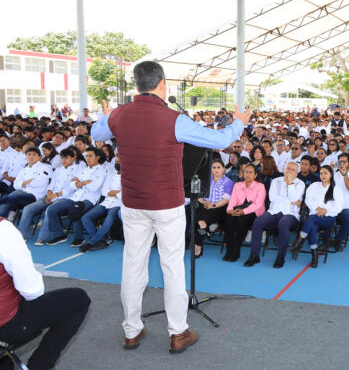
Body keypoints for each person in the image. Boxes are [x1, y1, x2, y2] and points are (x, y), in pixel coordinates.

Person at [90, 61, 250, 352]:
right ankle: (178, 333)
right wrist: (239, 121)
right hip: (166, 204)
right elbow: (221, 138)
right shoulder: (173, 119)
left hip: (133, 203)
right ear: (162, 84)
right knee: (173, 266)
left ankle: (131, 330)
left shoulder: (118, 115)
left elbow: (96, 134)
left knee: (132, 265)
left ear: (136, 84)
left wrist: (104, 117)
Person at [0, 219, 90, 370]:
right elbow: (32, 290)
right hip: (5, 323)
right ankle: (39, 366)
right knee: (78, 300)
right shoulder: (4, 231)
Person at [245, 161, 306, 268]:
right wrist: (291, 201)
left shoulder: (300, 184)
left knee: (283, 223)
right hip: (273, 212)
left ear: (297, 173)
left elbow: (294, 198)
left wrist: (291, 184)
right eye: (288, 168)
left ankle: (280, 256)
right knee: (258, 222)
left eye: (293, 170)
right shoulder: (276, 181)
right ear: (284, 169)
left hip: (291, 214)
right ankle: (254, 255)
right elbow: (272, 197)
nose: (290, 171)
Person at [289, 165, 344, 268]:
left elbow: (338, 207)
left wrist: (325, 211)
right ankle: (314, 256)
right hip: (315, 215)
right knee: (312, 227)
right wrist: (318, 209)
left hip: (329, 218)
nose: (323, 175)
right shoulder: (314, 185)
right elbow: (308, 200)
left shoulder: (336, 189)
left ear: (331, 175)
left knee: (311, 219)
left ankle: (299, 240)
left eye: (325, 173)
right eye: (321, 173)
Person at [0, 147, 51, 237]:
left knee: (15, 194)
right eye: (29, 154)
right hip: (21, 196)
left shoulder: (45, 167)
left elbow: (40, 183)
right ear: (25, 157)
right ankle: (2, 230)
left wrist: (23, 183)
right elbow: (16, 184)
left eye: (34, 155)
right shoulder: (24, 169)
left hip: (36, 196)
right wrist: (26, 182)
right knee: (6, 204)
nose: (31, 157)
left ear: (39, 157)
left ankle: (20, 236)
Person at [78, 155, 123, 252]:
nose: (117, 164)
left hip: (118, 203)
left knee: (109, 217)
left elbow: (125, 194)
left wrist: (113, 193)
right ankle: (100, 240)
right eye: (116, 162)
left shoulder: (130, 176)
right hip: (106, 202)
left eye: (119, 162)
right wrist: (113, 193)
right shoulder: (111, 174)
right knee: (85, 217)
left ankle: (92, 242)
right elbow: (104, 191)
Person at [223, 164, 266, 262]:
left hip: (254, 212)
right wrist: (230, 210)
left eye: (251, 172)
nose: (248, 174)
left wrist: (243, 212)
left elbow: (258, 204)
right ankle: (229, 249)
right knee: (229, 220)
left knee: (241, 221)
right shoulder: (238, 185)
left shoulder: (260, 186)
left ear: (255, 175)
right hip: (238, 209)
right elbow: (233, 200)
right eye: (246, 172)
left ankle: (236, 250)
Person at [331, 153, 349, 251]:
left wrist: (344, 175)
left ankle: (338, 240)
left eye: (344, 162)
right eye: (340, 161)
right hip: (331, 206)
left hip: (344, 208)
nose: (342, 164)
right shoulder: (333, 175)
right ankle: (326, 239)